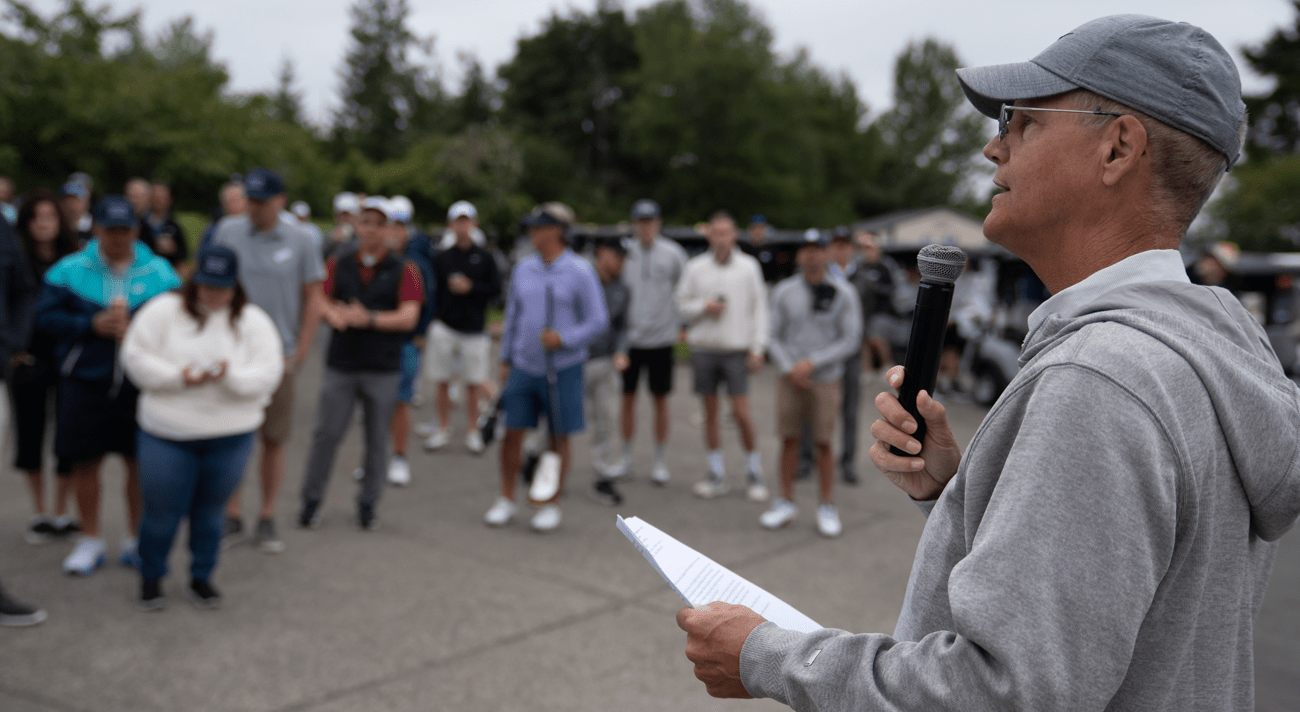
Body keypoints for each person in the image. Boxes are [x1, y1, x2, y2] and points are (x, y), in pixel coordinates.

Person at [676, 15, 1300, 710]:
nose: (991, 147)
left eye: (1021, 120)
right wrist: (967, 496)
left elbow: (1000, 693)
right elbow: (1132, 602)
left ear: (1118, 147)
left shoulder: (1101, 379)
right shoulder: (1207, 359)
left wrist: (769, 655)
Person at [121, 246, 283, 611]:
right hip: (167, 433)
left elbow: (268, 373)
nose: (213, 295)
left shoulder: (253, 321)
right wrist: (179, 377)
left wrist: (231, 378)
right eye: (206, 286)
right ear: (194, 282)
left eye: (222, 288)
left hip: (231, 434)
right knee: (161, 512)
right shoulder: (162, 311)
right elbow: (135, 356)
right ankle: (151, 576)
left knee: (211, 513)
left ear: (235, 286)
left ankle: (202, 576)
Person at [36, 195, 181, 576]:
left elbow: (177, 325)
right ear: (97, 228)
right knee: (86, 463)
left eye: (126, 229)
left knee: (138, 464)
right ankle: (91, 538)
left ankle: (135, 539)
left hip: (138, 385)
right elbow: (46, 320)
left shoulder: (160, 272)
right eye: (111, 229)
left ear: (136, 230)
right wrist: (91, 325)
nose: (119, 237)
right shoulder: (68, 270)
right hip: (84, 381)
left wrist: (141, 330)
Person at [209, 168, 325, 554]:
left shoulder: (301, 239)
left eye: (262, 201)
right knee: (232, 434)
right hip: (233, 350)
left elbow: (314, 295)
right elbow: (211, 285)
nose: (254, 208)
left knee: (273, 438)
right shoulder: (228, 231)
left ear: (280, 200)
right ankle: (233, 513)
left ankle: (267, 515)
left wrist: (303, 349)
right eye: (250, 200)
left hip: (279, 354)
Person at [297, 197, 422, 532]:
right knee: (326, 434)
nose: (371, 230)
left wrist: (367, 318)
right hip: (342, 362)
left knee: (376, 439)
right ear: (356, 226)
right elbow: (319, 298)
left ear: (390, 230)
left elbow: (409, 316)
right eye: (366, 222)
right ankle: (311, 501)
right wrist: (332, 313)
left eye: (379, 224)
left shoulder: (404, 269)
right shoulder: (339, 263)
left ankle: (368, 504)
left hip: (382, 366)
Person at [485, 202, 607, 532]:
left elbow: (598, 321)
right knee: (512, 434)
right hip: (524, 365)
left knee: (557, 437)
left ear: (556, 231)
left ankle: (550, 502)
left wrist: (565, 338)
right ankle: (507, 498)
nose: (531, 233)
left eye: (538, 228)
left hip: (564, 366)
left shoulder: (580, 271)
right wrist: (505, 359)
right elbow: (513, 317)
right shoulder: (524, 268)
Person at [756, 229, 860, 537]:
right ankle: (785, 500)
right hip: (790, 378)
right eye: (807, 249)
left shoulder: (843, 292)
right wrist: (791, 367)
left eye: (819, 249)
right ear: (800, 255)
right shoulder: (785, 291)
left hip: (825, 378)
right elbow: (772, 335)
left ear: (828, 254)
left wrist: (812, 363)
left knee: (823, 442)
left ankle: (826, 505)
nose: (812, 255)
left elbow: (850, 339)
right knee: (788, 439)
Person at [675, 211, 769, 502]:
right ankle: (716, 473)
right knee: (710, 414)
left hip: (735, 349)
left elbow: (759, 309)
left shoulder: (748, 267)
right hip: (704, 349)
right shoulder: (696, 267)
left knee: (741, 413)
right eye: (716, 233)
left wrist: (757, 347)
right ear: (709, 235)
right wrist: (704, 307)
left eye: (727, 233)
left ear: (734, 235)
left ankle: (754, 471)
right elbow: (680, 304)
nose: (722, 239)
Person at [10, 190, 81, 544]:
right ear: (27, 222)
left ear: (60, 221)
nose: (44, 224)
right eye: (37, 217)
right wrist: (11, 348)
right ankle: (39, 512)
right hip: (28, 359)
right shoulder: (14, 259)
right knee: (30, 433)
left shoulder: (74, 262)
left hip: (67, 359)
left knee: (68, 434)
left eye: (50, 217)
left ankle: (61, 510)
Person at [422, 200, 502, 454]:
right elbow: (432, 292)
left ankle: (472, 431)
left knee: (474, 382)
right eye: (458, 221)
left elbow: (496, 291)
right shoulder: (442, 257)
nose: (462, 226)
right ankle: (442, 428)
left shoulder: (486, 257)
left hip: (474, 329)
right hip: (446, 326)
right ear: (450, 225)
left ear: (474, 224)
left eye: (466, 220)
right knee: (443, 380)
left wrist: (471, 288)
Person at [617, 199, 688, 484]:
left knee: (660, 400)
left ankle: (659, 460)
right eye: (640, 221)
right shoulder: (626, 253)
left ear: (658, 223)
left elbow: (684, 291)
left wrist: (681, 325)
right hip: (630, 340)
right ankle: (626, 457)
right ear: (634, 223)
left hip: (661, 339)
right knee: (627, 400)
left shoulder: (673, 253)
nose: (645, 227)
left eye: (650, 221)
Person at [798, 227, 866, 485]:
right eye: (835, 245)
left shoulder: (864, 274)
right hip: (820, 353)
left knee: (849, 410)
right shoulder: (816, 276)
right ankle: (807, 457)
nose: (840, 250)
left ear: (851, 248)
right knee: (810, 407)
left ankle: (847, 461)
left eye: (844, 245)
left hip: (851, 353)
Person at [384, 196, 435, 486]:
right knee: (375, 405)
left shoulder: (416, 264)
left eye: (400, 227)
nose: (395, 233)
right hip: (373, 345)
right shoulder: (373, 262)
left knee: (400, 402)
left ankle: (399, 457)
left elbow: (429, 301)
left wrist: (420, 334)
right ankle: (375, 458)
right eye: (391, 226)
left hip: (404, 344)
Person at [585, 238, 630, 506]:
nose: (620, 263)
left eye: (623, 258)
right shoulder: (582, 280)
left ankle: (603, 476)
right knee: (557, 420)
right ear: (601, 253)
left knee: (606, 421)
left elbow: (623, 326)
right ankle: (538, 459)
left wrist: (621, 350)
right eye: (616, 256)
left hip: (605, 362)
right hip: (575, 360)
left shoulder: (622, 289)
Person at [145, 181, 188, 268]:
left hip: (166, 275)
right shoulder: (139, 225)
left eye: (162, 197)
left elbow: (183, 257)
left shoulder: (175, 228)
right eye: (156, 197)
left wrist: (174, 250)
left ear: (170, 200)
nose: (158, 200)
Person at [200, 181, 247, 249]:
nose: (230, 205)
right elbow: (203, 256)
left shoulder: (257, 226)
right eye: (227, 201)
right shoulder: (213, 229)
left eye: (234, 200)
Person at [741, 214, 782, 284]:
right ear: (749, 229)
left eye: (760, 228)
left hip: (768, 284)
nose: (757, 231)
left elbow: (778, 272)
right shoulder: (742, 249)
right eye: (754, 228)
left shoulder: (773, 249)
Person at [323, 191, 360, 260]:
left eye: (348, 215)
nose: (344, 218)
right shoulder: (329, 236)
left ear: (356, 216)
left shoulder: (362, 237)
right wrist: (331, 241)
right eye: (341, 214)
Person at [124, 177, 157, 253]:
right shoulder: (120, 224)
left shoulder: (158, 225)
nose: (134, 201)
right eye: (131, 196)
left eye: (139, 197)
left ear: (149, 199)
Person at [60, 181, 93, 246]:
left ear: (87, 202)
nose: (71, 204)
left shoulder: (96, 227)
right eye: (67, 200)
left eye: (76, 200)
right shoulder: (56, 228)